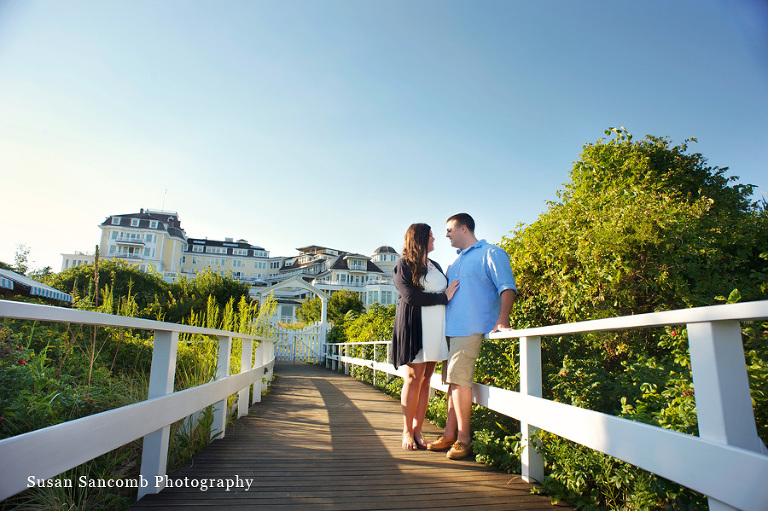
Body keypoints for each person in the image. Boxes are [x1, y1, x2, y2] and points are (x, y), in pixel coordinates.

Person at [427, 213, 517, 460]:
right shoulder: (454, 263)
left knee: (459, 381)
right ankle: (448, 434)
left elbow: (507, 287)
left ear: (463, 228)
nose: (445, 235)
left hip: (470, 328)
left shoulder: (491, 253)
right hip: (450, 330)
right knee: (452, 384)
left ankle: (464, 439)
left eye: (449, 230)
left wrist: (502, 320)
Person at [392, 223, 459, 450]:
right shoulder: (403, 265)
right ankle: (407, 431)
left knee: (426, 380)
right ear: (419, 238)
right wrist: (444, 297)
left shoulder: (435, 265)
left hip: (435, 329)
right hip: (414, 327)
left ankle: (418, 429)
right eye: (430, 235)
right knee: (413, 378)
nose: (434, 239)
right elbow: (410, 296)